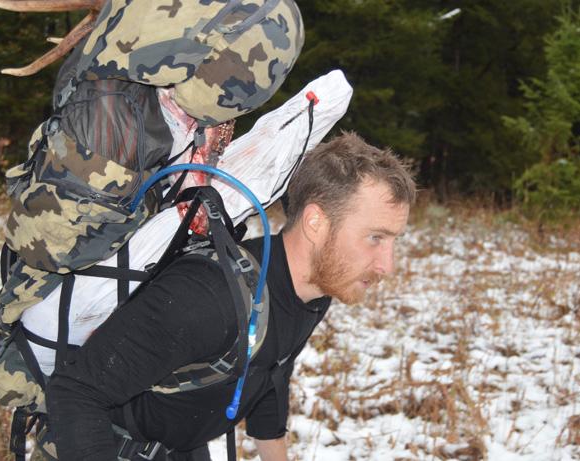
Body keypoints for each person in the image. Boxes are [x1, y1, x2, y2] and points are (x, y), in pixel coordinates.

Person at [46, 131, 416, 460]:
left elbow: (271, 372)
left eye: (392, 241)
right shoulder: (208, 298)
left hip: (181, 447)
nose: (387, 266)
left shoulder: (313, 290)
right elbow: (76, 391)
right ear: (316, 222)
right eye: (375, 238)